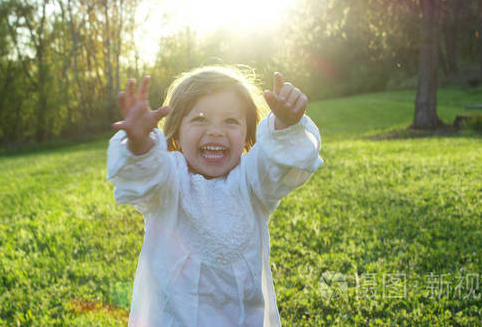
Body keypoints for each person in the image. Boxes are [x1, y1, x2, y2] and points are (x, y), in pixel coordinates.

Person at [106, 66, 323, 327]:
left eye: (231, 121)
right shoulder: (168, 179)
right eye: (199, 119)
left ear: (247, 136)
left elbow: (280, 162)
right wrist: (140, 145)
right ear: (175, 132)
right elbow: (141, 176)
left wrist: (286, 125)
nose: (215, 131)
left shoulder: (252, 181)